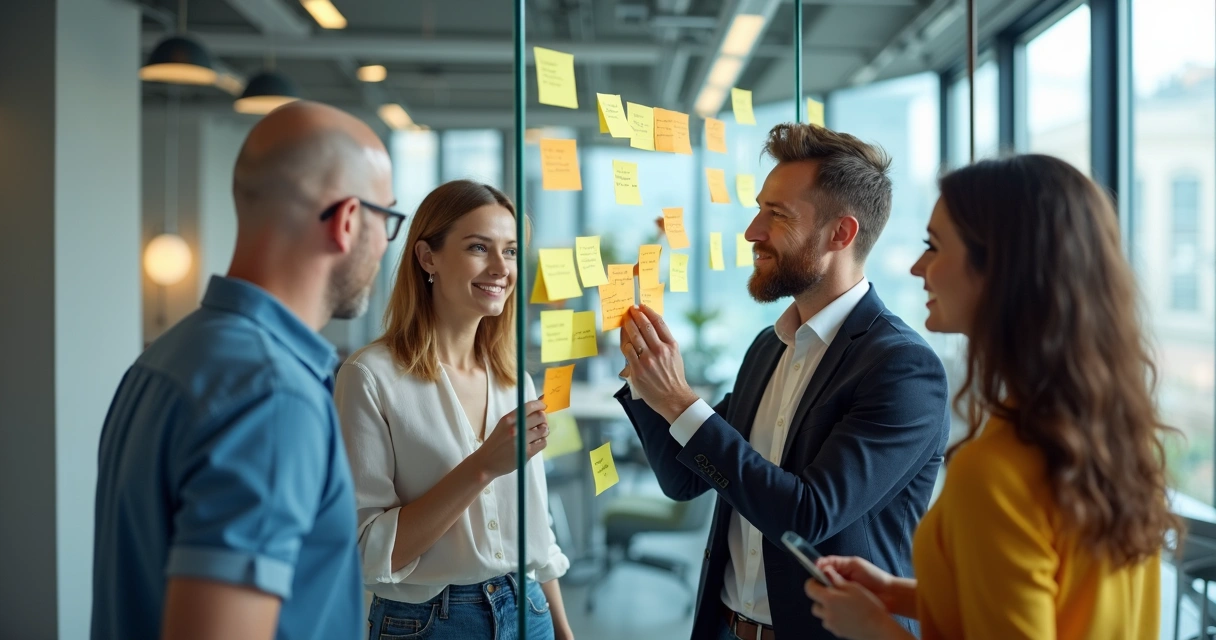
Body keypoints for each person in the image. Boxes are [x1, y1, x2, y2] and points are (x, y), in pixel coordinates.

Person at [805, 154, 1178, 640]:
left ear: (999, 270)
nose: (919, 268)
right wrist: (901, 594)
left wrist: (876, 629)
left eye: (934, 247)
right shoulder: (1114, 440)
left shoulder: (995, 472)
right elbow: (1057, 605)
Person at [616, 122, 950, 640]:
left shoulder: (902, 368)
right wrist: (647, 379)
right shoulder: (769, 346)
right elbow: (685, 479)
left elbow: (807, 515)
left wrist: (681, 401)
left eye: (777, 215)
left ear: (841, 234)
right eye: (758, 209)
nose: (752, 231)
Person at [91, 101, 399, 640]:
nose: (384, 245)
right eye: (387, 219)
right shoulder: (273, 396)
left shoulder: (167, 357)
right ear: (349, 220)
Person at [335, 179, 573, 640]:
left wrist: (562, 630)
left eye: (510, 251)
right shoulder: (370, 376)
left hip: (530, 607)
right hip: (429, 623)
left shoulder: (513, 381)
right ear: (427, 258)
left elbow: (536, 529)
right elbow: (367, 551)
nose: (501, 268)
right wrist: (482, 467)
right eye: (479, 247)